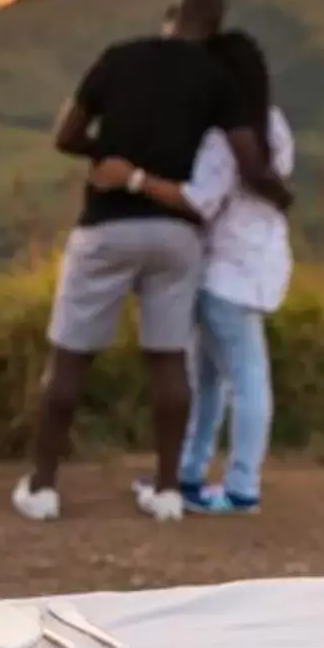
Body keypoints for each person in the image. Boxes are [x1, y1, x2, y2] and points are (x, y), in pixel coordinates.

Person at [17, 0, 289, 523]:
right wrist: (281, 195)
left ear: (172, 18)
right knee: (170, 363)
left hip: (106, 227)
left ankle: (43, 487)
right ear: (214, 26)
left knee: (70, 357)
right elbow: (247, 159)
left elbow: (64, 135)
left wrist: (111, 156)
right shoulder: (218, 82)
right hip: (176, 236)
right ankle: (169, 491)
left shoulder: (119, 58)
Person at [88, 28, 293, 514]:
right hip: (255, 264)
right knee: (211, 381)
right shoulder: (275, 124)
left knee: (242, 381)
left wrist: (133, 178)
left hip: (225, 270)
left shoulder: (224, 137)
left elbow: (199, 201)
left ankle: (242, 488)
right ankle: (187, 474)